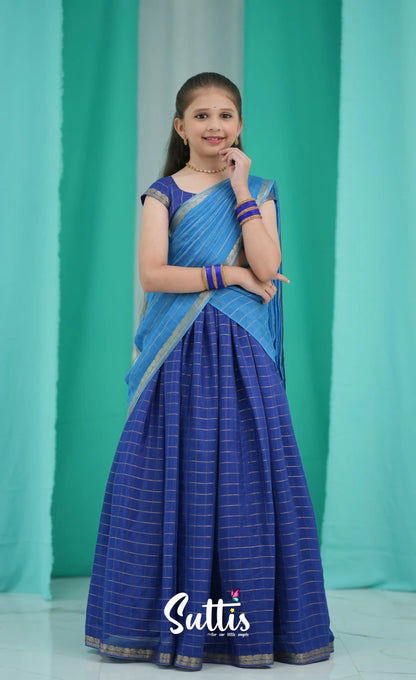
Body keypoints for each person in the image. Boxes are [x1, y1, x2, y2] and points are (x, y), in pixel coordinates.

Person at [85, 72, 335, 671]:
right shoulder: (162, 194)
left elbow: (268, 265)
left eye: (225, 115)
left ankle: (247, 628)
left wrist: (241, 188)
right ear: (181, 127)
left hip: (245, 355)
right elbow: (153, 274)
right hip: (178, 355)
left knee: (252, 480)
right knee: (168, 477)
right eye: (201, 116)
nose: (214, 126)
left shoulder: (260, 189)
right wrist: (229, 275)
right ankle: (157, 624)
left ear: (240, 125)